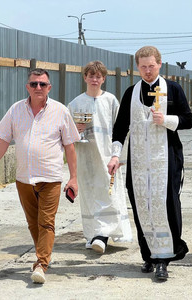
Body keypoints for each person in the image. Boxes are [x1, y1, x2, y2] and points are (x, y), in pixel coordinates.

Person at [0, 68, 80, 284]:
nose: (38, 87)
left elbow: (70, 146)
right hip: (24, 178)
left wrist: (73, 177)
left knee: (46, 222)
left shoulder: (60, 111)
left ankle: (41, 264)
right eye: (34, 84)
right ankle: (43, 255)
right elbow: (3, 139)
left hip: (51, 178)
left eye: (43, 84)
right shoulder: (16, 110)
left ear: (49, 87)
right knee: (33, 223)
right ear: (27, 87)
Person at [107, 46, 192, 281]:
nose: (147, 71)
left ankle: (164, 258)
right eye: (143, 67)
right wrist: (115, 155)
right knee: (141, 206)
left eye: (151, 66)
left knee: (164, 206)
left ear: (159, 65)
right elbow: (120, 127)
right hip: (138, 162)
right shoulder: (131, 93)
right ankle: (149, 255)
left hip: (166, 161)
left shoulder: (172, 89)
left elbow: (188, 120)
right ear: (137, 67)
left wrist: (165, 120)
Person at [68, 61, 132, 254]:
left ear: (103, 79)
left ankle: (104, 233)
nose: (94, 79)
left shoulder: (111, 100)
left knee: (108, 192)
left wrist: (118, 156)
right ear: (85, 77)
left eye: (98, 76)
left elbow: (121, 129)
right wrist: (75, 130)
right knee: (89, 194)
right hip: (85, 156)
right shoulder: (75, 103)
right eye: (91, 76)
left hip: (107, 156)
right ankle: (93, 234)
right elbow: (65, 133)